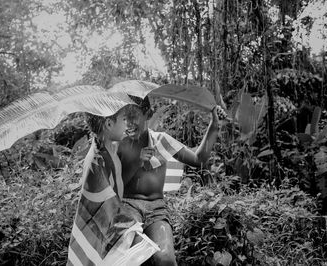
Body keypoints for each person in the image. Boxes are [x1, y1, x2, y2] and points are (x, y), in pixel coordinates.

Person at [117, 96, 221, 266]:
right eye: (125, 117)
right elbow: (115, 186)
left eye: (134, 116)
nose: (129, 123)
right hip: (127, 205)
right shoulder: (121, 144)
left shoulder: (161, 140)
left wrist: (214, 125)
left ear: (148, 114)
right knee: (136, 255)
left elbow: (198, 159)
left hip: (156, 208)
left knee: (165, 259)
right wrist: (137, 161)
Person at [67, 106, 159, 266]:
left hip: (115, 216)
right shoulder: (98, 161)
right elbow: (106, 209)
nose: (127, 125)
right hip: (104, 226)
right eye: (124, 120)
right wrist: (131, 231)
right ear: (109, 124)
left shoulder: (110, 145)